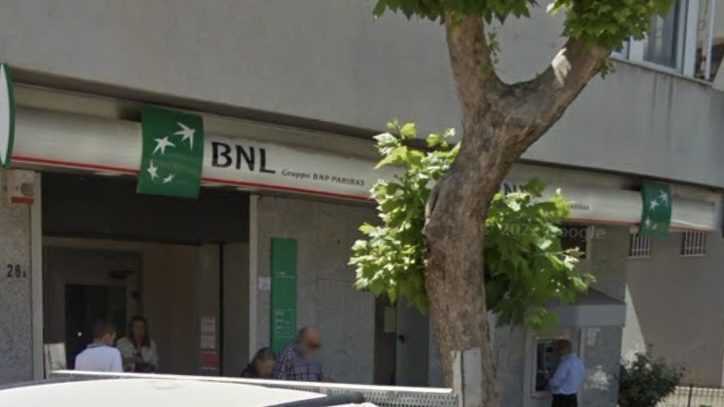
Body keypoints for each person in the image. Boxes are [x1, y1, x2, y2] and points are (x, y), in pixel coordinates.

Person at [548, 339, 585, 407]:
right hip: (573, 398)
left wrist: (548, 379)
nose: (556, 352)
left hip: (561, 399)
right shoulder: (579, 362)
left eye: (557, 349)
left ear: (562, 350)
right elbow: (581, 378)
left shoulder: (565, 363)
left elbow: (555, 382)